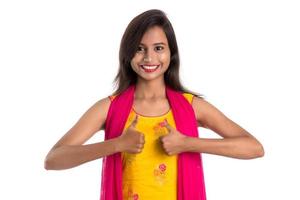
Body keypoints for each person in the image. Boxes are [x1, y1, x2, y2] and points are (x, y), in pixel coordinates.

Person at [44, 9, 264, 200]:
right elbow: (53, 159)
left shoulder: (193, 106)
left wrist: (188, 143)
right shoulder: (108, 108)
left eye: (158, 48)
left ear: (171, 54)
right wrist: (117, 144)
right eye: (140, 48)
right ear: (127, 54)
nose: (149, 58)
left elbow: (254, 148)